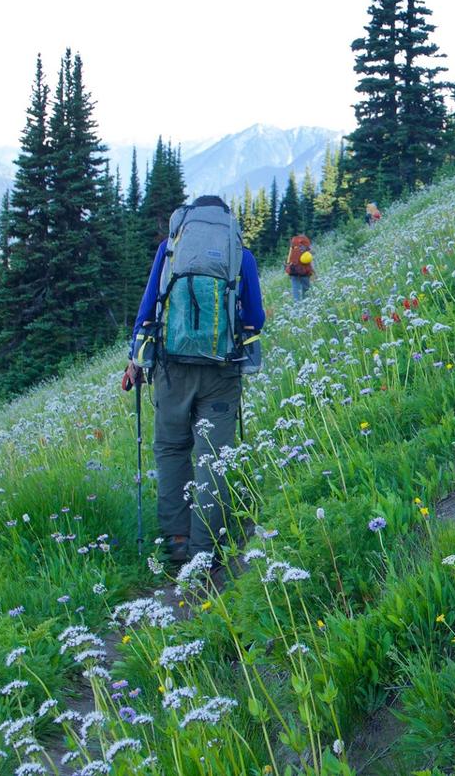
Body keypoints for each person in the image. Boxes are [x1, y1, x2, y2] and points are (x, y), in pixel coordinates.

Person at [125, 195, 265, 566]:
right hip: (222, 371)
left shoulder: (169, 251)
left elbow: (149, 307)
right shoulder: (240, 254)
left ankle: (177, 542)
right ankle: (206, 551)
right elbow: (256, 317)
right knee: (212, 457)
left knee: (171, 449)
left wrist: (134, 361)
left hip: (172, 370)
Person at [285, 234, 314, 301]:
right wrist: (313, 271)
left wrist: (287, 268)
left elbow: (289, 260)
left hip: (293, 271)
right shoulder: (306, 249)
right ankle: (307, 303)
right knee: (306, 288)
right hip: (304, 271)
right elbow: (310, 261)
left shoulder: (293, 247)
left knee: (295, 289)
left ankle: (297, 306)